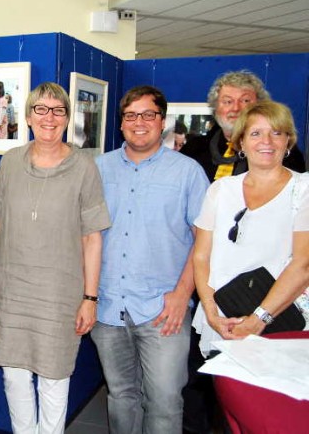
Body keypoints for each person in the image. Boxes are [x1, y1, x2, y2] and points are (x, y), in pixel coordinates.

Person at [0, 82, 110, 434]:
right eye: (41, 109)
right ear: (27, 117)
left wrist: (90, 298)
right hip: (13, 289)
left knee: (54, 379)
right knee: (15, 376)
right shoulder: (10, 162)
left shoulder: (84, 167)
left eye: (57, 110)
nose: (49, 117)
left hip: (60, 294)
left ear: (67, 118)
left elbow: (92, 238)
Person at [91, 85, 209, 434]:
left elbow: (204, 241)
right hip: (108, 307)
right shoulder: (98, 169)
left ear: (162, 121)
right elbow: (85, 236)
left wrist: (181, 296)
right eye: (130, 115)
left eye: (148, 115)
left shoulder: (187, 172)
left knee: (164, 402)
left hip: (163, 310)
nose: (139, 122)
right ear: (121, 122)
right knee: (121, 395)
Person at [192, 101, 309, 352]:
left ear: (287, 141)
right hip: (223, 320)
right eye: (256, 133)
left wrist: (258, 320)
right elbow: (201, 256)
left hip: (280, 321)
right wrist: (212, 313)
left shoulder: (304, 190)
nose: (266, 141)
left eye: (276, 132)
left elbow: (304, 264)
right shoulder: (220, 190)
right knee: (223, 391)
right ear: (241, 143)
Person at [181, 70, 305, 182]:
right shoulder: (193, 150)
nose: (235, 108)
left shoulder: (276, 150)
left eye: (245, 101)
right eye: (228, 101)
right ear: (215, 107)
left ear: (260, 106)